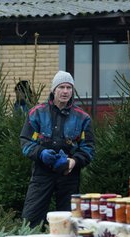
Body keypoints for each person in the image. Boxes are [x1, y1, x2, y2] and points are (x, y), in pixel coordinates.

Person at [20, 71, 95, 227]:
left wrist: (73, 162)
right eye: (62, 87)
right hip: (42, 173)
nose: (65, 91)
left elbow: (88, 148)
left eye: (69, 87)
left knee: (68, 223)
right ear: (54, 90)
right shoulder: (37, 113)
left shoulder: (82, 118)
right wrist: (41, 153)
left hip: (69, 175)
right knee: (30, 219)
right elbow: (26, 142)